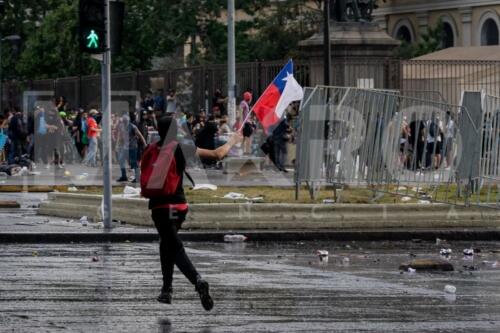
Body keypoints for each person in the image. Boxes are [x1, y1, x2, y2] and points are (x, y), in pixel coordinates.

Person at [143, 115, 242, 311]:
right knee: (168, 243)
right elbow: (217, 154)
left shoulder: (152, 149)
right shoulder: (182, 147)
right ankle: (166, 290)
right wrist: (233, 140)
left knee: (173, 245)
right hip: (179, 207)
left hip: (160, 208)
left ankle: (197, 281)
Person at [116, 114, 146, 183]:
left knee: (134, 162)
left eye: (126, 121)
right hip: (125, 147)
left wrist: (145, 144)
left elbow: (140, 135)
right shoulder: (121, 126)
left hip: (132, 147)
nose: (124, 122)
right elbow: (120, 136)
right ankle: (124, 176)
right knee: (121, 160)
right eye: (123, 120)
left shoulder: (133, 126)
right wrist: (117, 145)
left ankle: (137, 177)